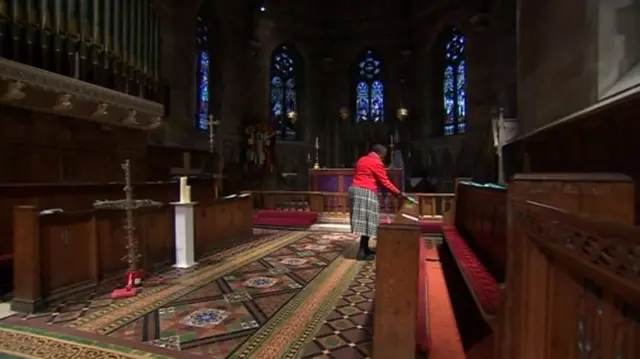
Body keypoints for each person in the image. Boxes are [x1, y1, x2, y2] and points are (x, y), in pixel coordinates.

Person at [349, 144, 408, 260]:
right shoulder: (376, 162)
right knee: (368, 221)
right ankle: (361, 253)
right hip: (366, 191)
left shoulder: (362, 159)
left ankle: (364, 248)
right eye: (383, 156)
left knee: (365, 221)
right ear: (380, 154)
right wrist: (398, 193)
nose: (383, 159)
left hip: (354, 190)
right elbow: (385, 181)